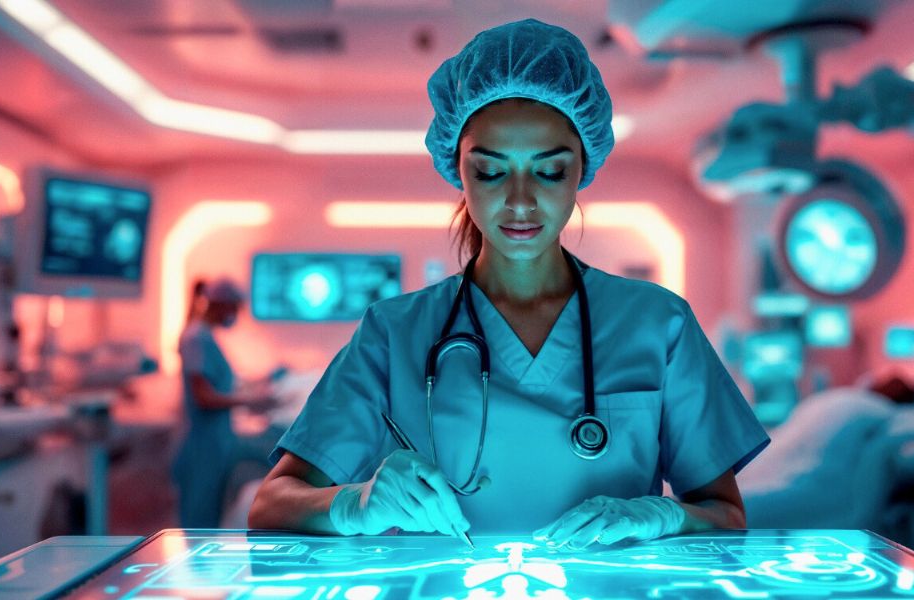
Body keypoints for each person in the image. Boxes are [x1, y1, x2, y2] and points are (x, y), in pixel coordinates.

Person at [249, 19, 768, 549]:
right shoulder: (394, 333)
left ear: (583, 169)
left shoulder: (659, 323)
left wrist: (661, 517)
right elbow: (271, 504)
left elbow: (725, 514)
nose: (520, 202)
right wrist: (354, 504)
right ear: (458, 171)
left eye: (549, 172)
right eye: (491, 172)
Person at [174, 277, 276, 528]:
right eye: (234, 308)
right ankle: (196, 568)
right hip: (202, 447)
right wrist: (249, 402)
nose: (236, 315)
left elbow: (217, 383)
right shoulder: (196, 338)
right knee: (198, 527)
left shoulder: (206, 337)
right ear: (221, 305)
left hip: (216, 442)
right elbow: (204, 397)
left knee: (208, 520)